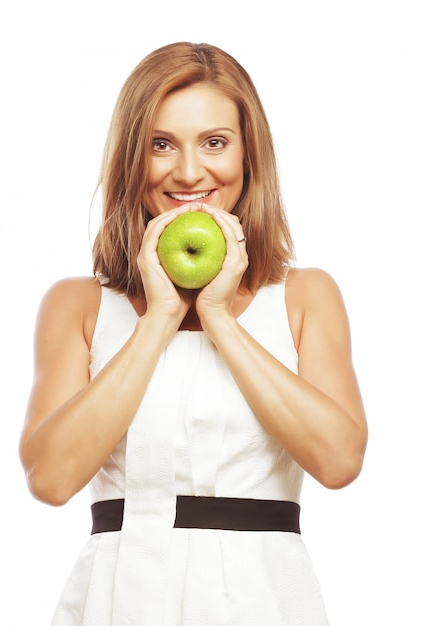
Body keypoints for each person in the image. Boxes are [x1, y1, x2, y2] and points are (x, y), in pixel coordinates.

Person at [19, 42, 368, 625]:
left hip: (263, 599)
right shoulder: (77, 304)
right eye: (161, 144)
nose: (187, 171)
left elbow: (339, 461)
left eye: (214, 142)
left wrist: (219, 317)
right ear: (133, 158)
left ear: (248, 154)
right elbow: (50, 479)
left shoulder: (305, 296)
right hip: (116, 599)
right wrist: (157, 317)